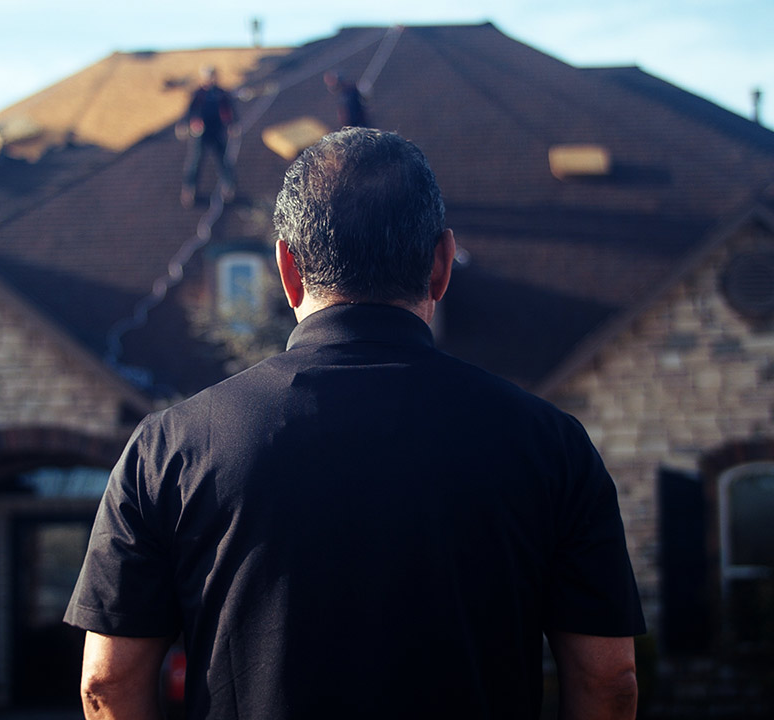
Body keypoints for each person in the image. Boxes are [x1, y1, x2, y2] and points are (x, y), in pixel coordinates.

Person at [65, 127, 645, 720]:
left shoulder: (172, 448)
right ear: (442, 264)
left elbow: (107, 684)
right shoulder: (549, 445)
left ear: (287, 269)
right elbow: (610, 679)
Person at [179, 65, 236, 207]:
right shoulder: (198, 94)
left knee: (222, 160)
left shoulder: (221, 94)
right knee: (195, 161)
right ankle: (189, 190)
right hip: (200, 133)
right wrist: (186, 124)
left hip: (216, 131)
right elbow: (189, 112)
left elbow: (228, 111)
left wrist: (232, 124)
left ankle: (229, 188)